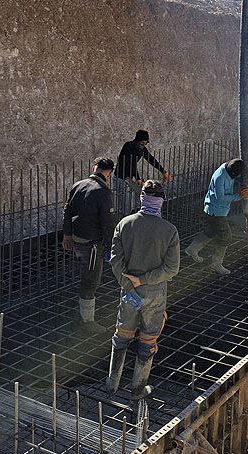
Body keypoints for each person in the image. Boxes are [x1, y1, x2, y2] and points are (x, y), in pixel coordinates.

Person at [105, 180, 180, 398]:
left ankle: (112, 384)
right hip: (155, 293)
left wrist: (129, 283)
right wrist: (145, 279)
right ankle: (137, 389)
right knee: (148, 339)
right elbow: (171, 269)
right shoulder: (169, 231)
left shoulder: (125, 224)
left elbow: (115, 260)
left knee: (121, 335)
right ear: (161, 202)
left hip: (128, 290)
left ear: (142, 199)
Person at [62, 157, 116, 334]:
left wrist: (67, 235)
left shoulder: (78, 185)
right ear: (109, 173)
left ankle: (82, 313)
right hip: (92, 243)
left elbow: (67, 211)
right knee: (90, 280)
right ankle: (86, 321)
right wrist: (111, 247)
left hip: (77, 238)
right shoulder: (103, 191)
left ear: (95, 168)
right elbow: (107, 224)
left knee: (86, 275)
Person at [183, 159, 248, 275]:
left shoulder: (228, 168)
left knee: (210, 232)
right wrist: (239, 196)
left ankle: (192, 249)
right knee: (225, 238)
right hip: (216, 211)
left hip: (214, 209)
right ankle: (216, 265)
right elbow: (220, 198)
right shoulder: (220, 177)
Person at [114, 130, 172, 215]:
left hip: (129, 177)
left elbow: (151, 159)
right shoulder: (128, 146)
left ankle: (129, 217)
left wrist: (163, 171)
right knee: (123, 202)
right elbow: (131, 163)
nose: (143, 145)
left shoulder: (142, 149)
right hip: (121, 176)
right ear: (137, 141)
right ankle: (124, 221)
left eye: (145, 143)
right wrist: (137, 178)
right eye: (142, 143)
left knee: (130, 201)